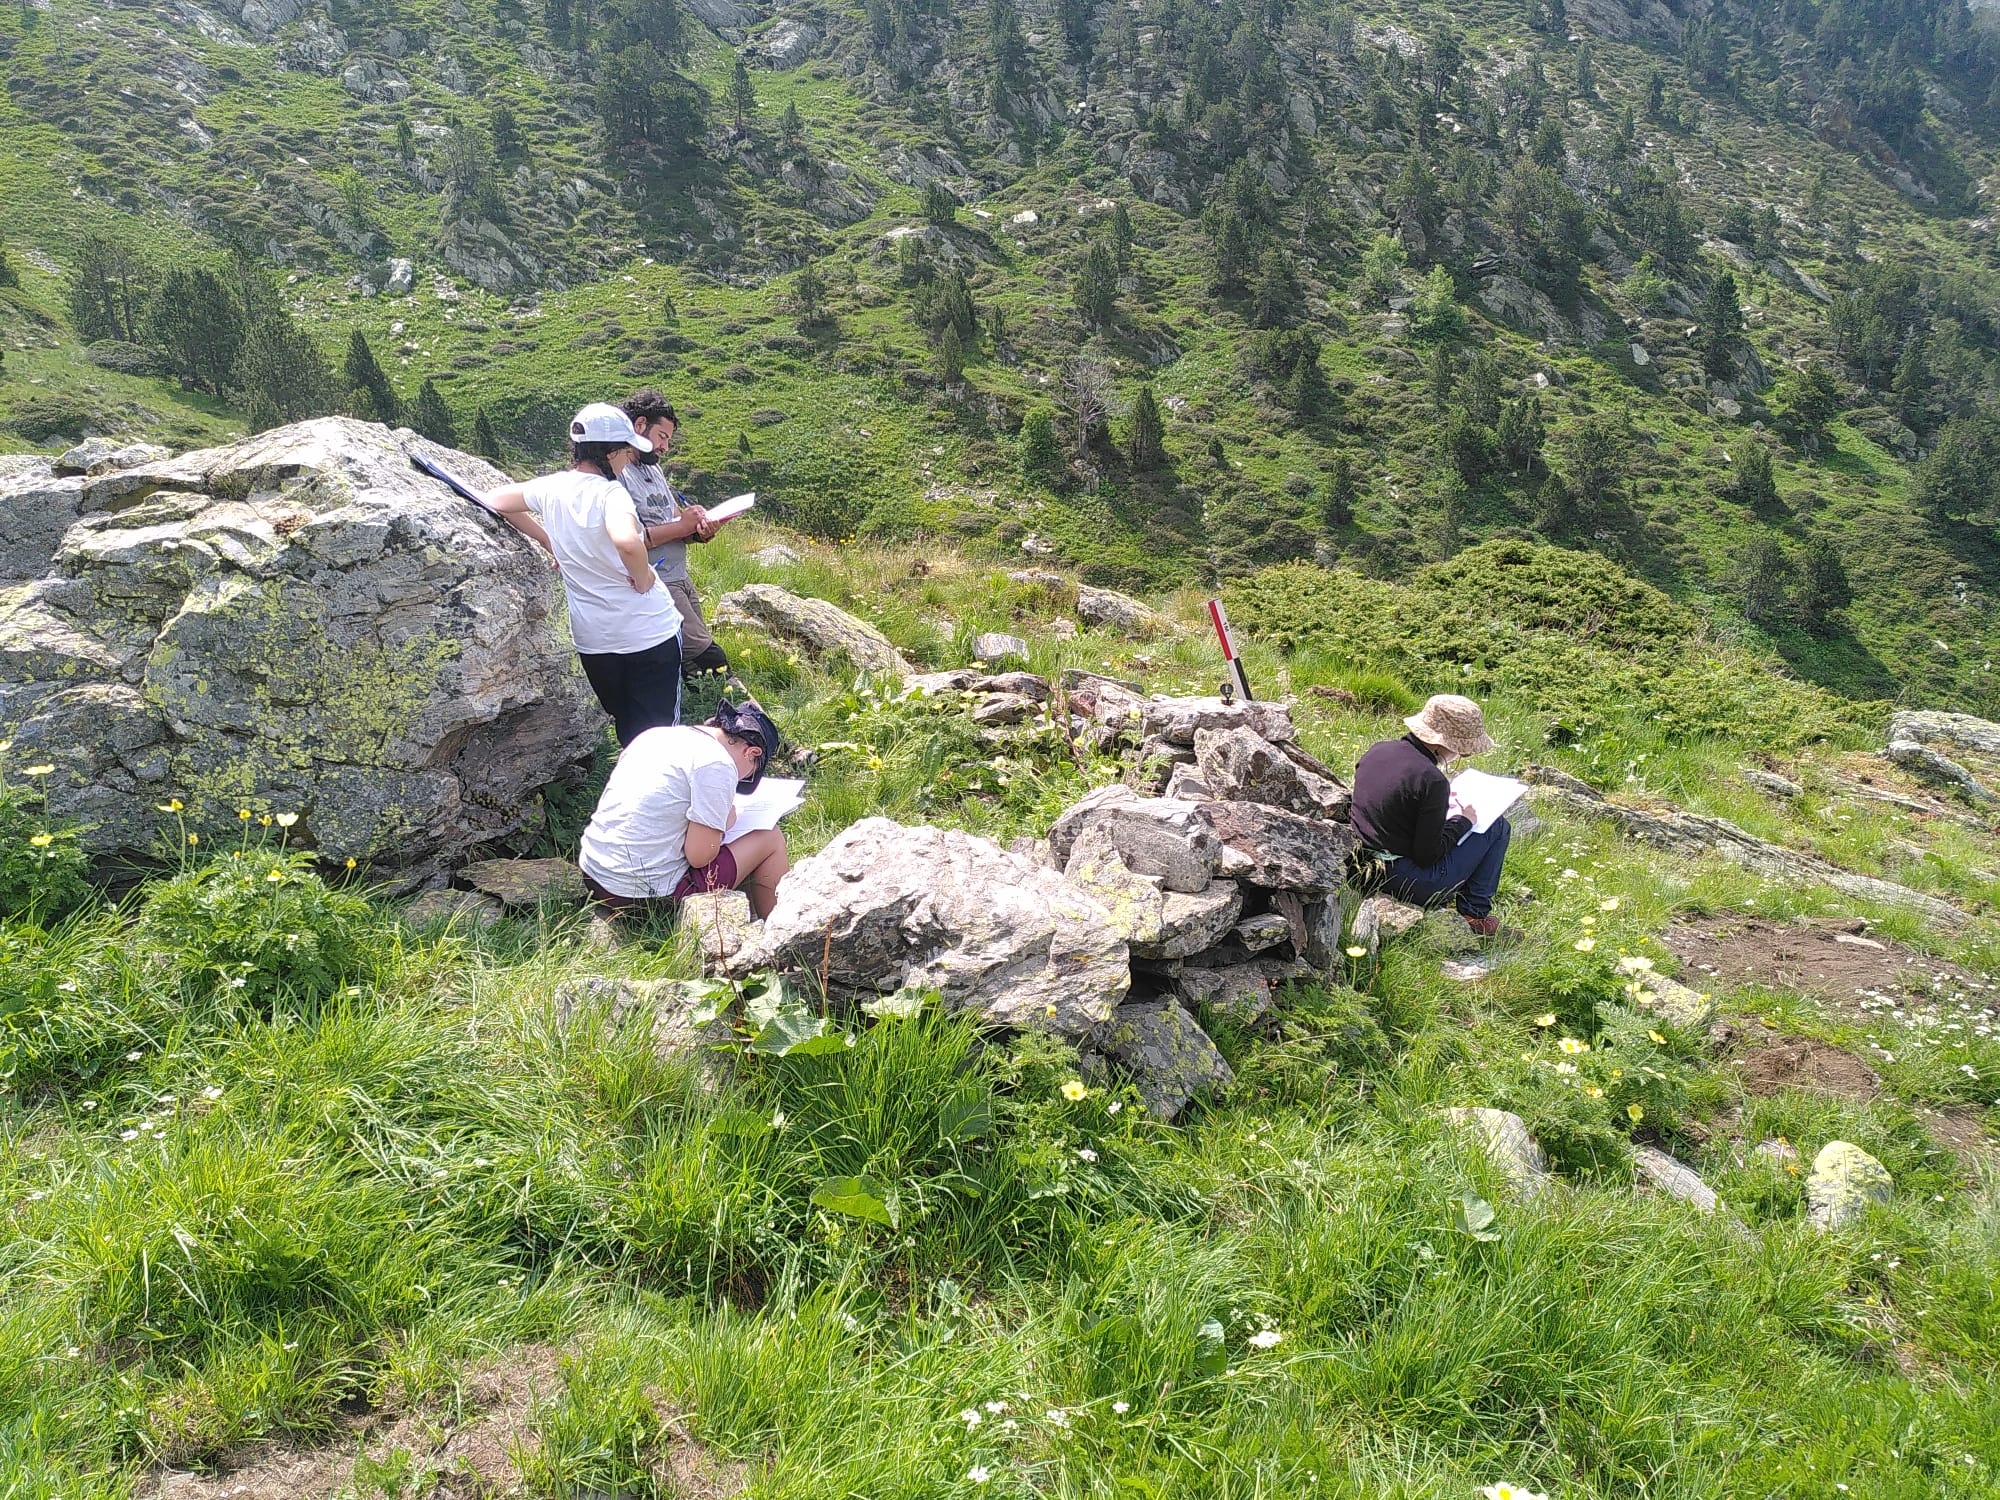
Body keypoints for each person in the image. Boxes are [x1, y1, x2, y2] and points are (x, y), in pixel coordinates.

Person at [486, 402, 684, 745]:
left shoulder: (553, 487)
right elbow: (627, 541)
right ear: (611, 452)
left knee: (628, 727)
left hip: (595, 643)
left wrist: (551, 542)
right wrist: (643, 577)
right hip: (648, 634)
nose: (627, 461)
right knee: (659, 741)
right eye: (625, 452)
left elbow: (496, 500)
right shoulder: (611, 493)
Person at [578, 700, 791, 918]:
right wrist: (726, 821)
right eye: (750, 774)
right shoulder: (718, 764)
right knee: (769, 836)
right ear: (752, 753)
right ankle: (781, 933)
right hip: (640, 897)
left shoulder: (655, 736)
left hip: (593, 875)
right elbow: (699, 856)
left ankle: (750, 916)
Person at [1349, 694, 1512, 937]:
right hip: (1404, 880)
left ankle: (1472, 911)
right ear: (1444, 744)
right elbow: (1428, 855)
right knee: (1498, 827)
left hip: (1360, 868)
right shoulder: (1432, 780)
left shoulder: (1379, 750)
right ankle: (1474, 913)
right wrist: (1463, 820)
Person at [620, 390, 732, 682]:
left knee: (691, 663)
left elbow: (669, 523)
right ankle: (746, 719)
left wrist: (697, 532)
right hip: (657, 581)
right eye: (662, 436)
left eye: (668, 439)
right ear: (639, 425)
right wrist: (682, 527)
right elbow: (631, 538)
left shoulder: (652, 470)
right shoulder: (619, 473)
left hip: (680, 575)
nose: (665, 446)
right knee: (710, 657)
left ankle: (697, 716)